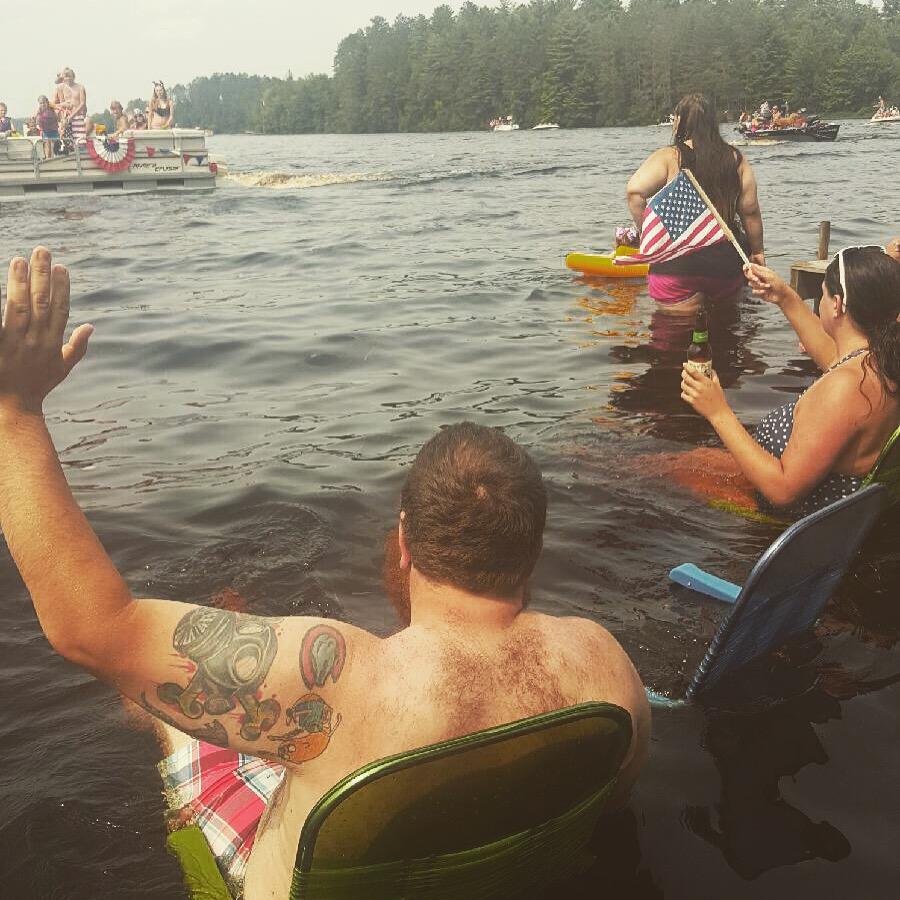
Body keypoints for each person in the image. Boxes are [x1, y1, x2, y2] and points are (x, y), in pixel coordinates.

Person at [0, 248, 650, 900]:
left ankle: (170, 724)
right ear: (531, 550)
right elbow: (608, 810)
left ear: (403, 543)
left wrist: (16, 412)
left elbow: (93, 631)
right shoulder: (604, 664)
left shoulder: (336, 678)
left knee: (184, 718)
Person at [681, 247, 900, 518]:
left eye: (822, 294)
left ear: (837, 304)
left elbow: (783, 491)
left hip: (802, 511)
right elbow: (835, 357)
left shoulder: (847, 387)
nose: (819, 302)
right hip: (812, 484)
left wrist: (717, 411)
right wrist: (785, 297)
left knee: (664, 476)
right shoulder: (881, 360)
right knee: (691, 460)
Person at [625, 93, 765, 313]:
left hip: (676, 267)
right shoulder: (736, 159)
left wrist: (648, 236)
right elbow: (750, 211)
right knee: (725, 333)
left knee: (673, 339)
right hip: (725, 267)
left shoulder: (670, 157)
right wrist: (758, 252)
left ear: (679, 121)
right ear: (713, 121)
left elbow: (635, 192)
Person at [51, 67, 91, 151]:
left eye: (69, 76)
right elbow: (66, 103)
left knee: (80, 142)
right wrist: (62, 114)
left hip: (78, 117)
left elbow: (82, 103)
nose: (68, 78)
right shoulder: (62, 88)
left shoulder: (80, 87)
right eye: (65, 76)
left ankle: (82, 157)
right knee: (69, 143)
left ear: (74, 76)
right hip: (68, 118)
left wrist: (72, 115)